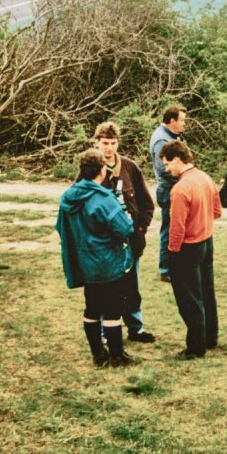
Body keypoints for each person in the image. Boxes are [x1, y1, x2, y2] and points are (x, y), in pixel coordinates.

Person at [56, 149, 140, 368]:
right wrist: (127, 219)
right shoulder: (103, 198)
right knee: (112, 310)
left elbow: (60, 227)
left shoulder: (68, 197)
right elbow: (124, 228)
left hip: (84, 262)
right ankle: (117, 356)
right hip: (107, 262)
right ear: (102, 170)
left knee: (92, 307)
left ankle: (98, 354)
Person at [90, 122, 156, 343]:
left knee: (131, 287)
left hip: (130, 240)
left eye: (113, 143)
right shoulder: (90, 168)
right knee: (104, 288)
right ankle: (104, 332)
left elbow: (147, 203)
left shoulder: (130, 167)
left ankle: (136, 328)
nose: (109, 148)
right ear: (96, 143)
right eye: (105, 143)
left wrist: (140, 228)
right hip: (105, 244)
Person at [160, 141, 221, 360]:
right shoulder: (205, 178)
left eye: (167, 164)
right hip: (206, 242)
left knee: (189, 298)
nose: (167, 169)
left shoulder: (180, 189)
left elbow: (176, 228)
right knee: (206, 291)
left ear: (177, 159)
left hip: (188, 248)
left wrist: (172, 252)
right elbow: (217, 211)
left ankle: (195, 347)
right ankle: (210, 337)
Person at [149, 105, 187, 282]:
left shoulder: (171, 136)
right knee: (169, 229)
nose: (184, 124)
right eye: (182, 121)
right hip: (169, 190)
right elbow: (163, 169)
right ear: (172, 121)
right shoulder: (161, 140)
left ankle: (175, 265)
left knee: (177, 228)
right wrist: (185, 176)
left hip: (176, 188)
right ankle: (166, 269)